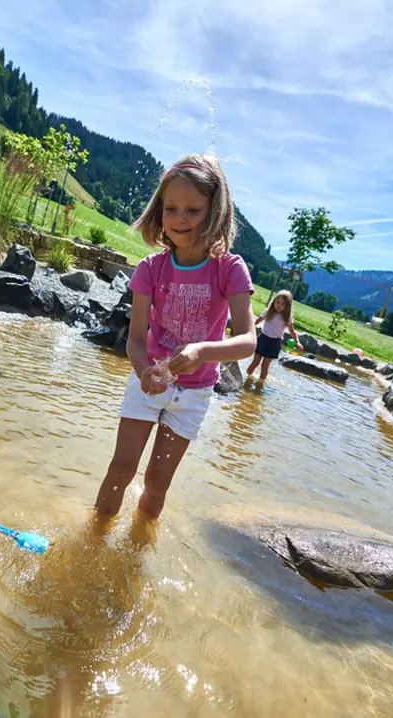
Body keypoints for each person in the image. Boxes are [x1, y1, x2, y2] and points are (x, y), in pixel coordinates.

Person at [94, 154, 257, 520]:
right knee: (121, 470)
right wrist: (142, 373)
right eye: (171, 208)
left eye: (193, 210)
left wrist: (202, 351)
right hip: (147, 379)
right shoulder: (151, 268)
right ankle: (94, 538)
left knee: (156, 481)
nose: (179, 219)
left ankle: (138, 549)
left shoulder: (229, 269)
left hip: (195, 393)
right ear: (159, 211)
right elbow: (136, 339)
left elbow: (248, 341)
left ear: (216, 212)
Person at [246, 290, 302, 382]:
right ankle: (247, 378)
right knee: (255, 362)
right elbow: (256, 322)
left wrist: (297, 342)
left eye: (282, 304)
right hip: (263, 339)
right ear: (274, 302)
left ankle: (260, 384)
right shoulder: (268, 312)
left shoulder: (286, 318)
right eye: (277, 302)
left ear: (287, 306)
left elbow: (292, 331)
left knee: (265, 366)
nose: (279, 305)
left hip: (274, 343)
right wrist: (247, 329)